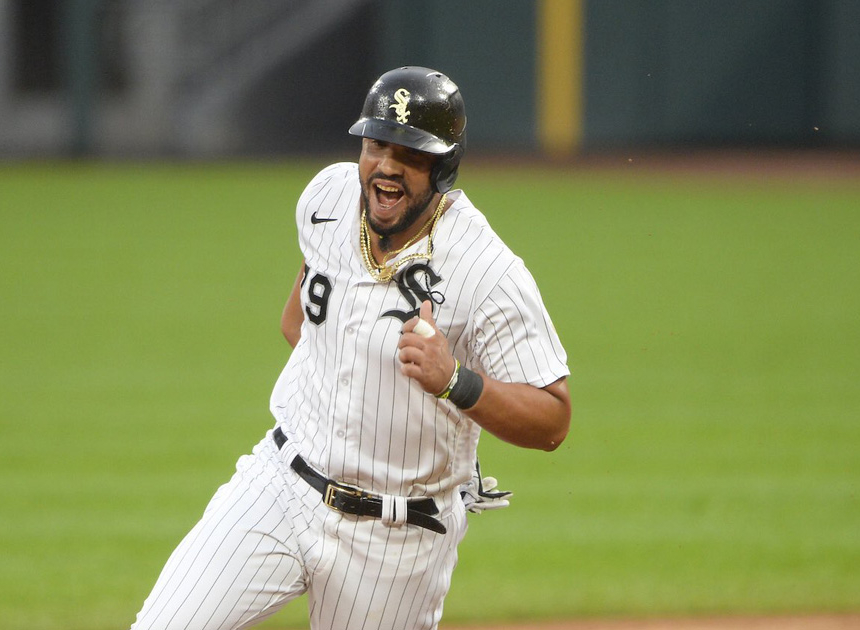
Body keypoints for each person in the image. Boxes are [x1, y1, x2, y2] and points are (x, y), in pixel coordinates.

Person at [129, 66, 571, 630]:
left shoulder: (488, 272)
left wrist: (453, 382)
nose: (386, 166)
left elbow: (553, 418)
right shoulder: (328, 198)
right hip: (281, 485)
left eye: (409, 153)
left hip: (398, 538)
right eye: (375, 144)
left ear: (444, 167)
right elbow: (300, 321)